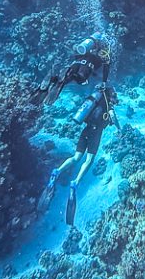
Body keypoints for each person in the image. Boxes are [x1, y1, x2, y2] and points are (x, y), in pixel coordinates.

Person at [38, 82, 120, 225]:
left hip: (85, 131)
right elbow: (113, 117)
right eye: (114, 95)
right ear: (109, 95)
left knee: (76, 157)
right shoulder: (108, 107)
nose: (115, 97)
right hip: (95, 135)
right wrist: (119, 129)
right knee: (89, 160)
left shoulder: (94, 101)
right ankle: (75, 183)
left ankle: (56, 172)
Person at [30, 32, 112, 106]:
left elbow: (75, 48)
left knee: (64, 79)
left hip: (76, 62)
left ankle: (53, 79)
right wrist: (104, 81)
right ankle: (71, 75)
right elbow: (106, 67)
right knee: (81, 79)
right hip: (87, 65)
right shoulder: (105, 50)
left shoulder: (88, 43)